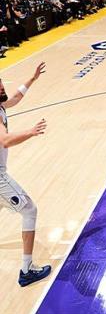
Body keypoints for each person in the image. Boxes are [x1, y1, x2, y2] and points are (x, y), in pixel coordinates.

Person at [0, 63, 52, 286]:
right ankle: (26, 270)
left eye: (1, 82)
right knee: (30, 210)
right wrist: (30, 132)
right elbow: (5, 140)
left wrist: (32, 78)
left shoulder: (1, 104)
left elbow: (15, 98)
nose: (2, 86)